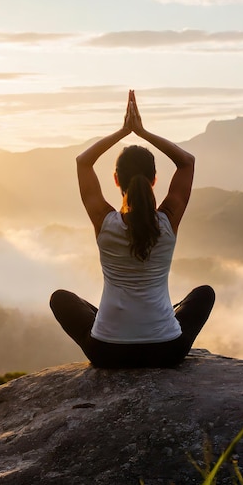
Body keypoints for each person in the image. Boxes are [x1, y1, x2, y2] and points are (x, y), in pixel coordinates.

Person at [50, 90, 215, 368]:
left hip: (107, 353)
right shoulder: (167, 220)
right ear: (154, 179)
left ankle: (119, 324)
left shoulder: (104, 221)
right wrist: (142, 132)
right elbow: (187, 162)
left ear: (116, 180)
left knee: (61, 299)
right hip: (166, 352)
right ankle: (159, 320)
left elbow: (83, 162)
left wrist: (123, 131)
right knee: (204, 294)